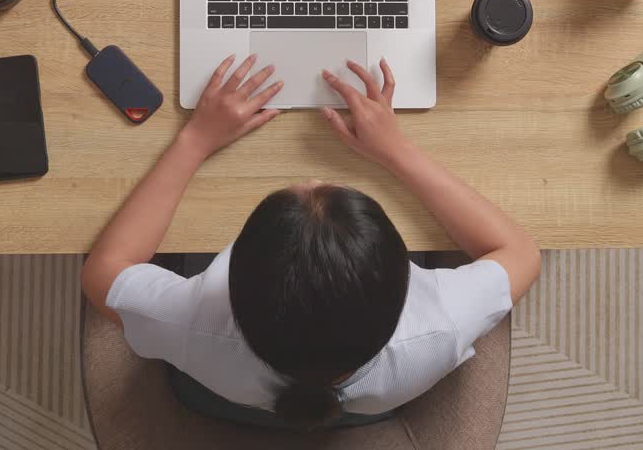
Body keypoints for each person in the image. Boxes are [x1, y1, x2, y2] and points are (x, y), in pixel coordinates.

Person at [81, 54, 541, 429]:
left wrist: (195, 140)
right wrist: (397, 150)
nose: (313, 177)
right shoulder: (436, 327)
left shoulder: (193, 324)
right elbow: (521, 254)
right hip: (375, 401)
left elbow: (103, 274)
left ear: (233, 287)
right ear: (401, 282)